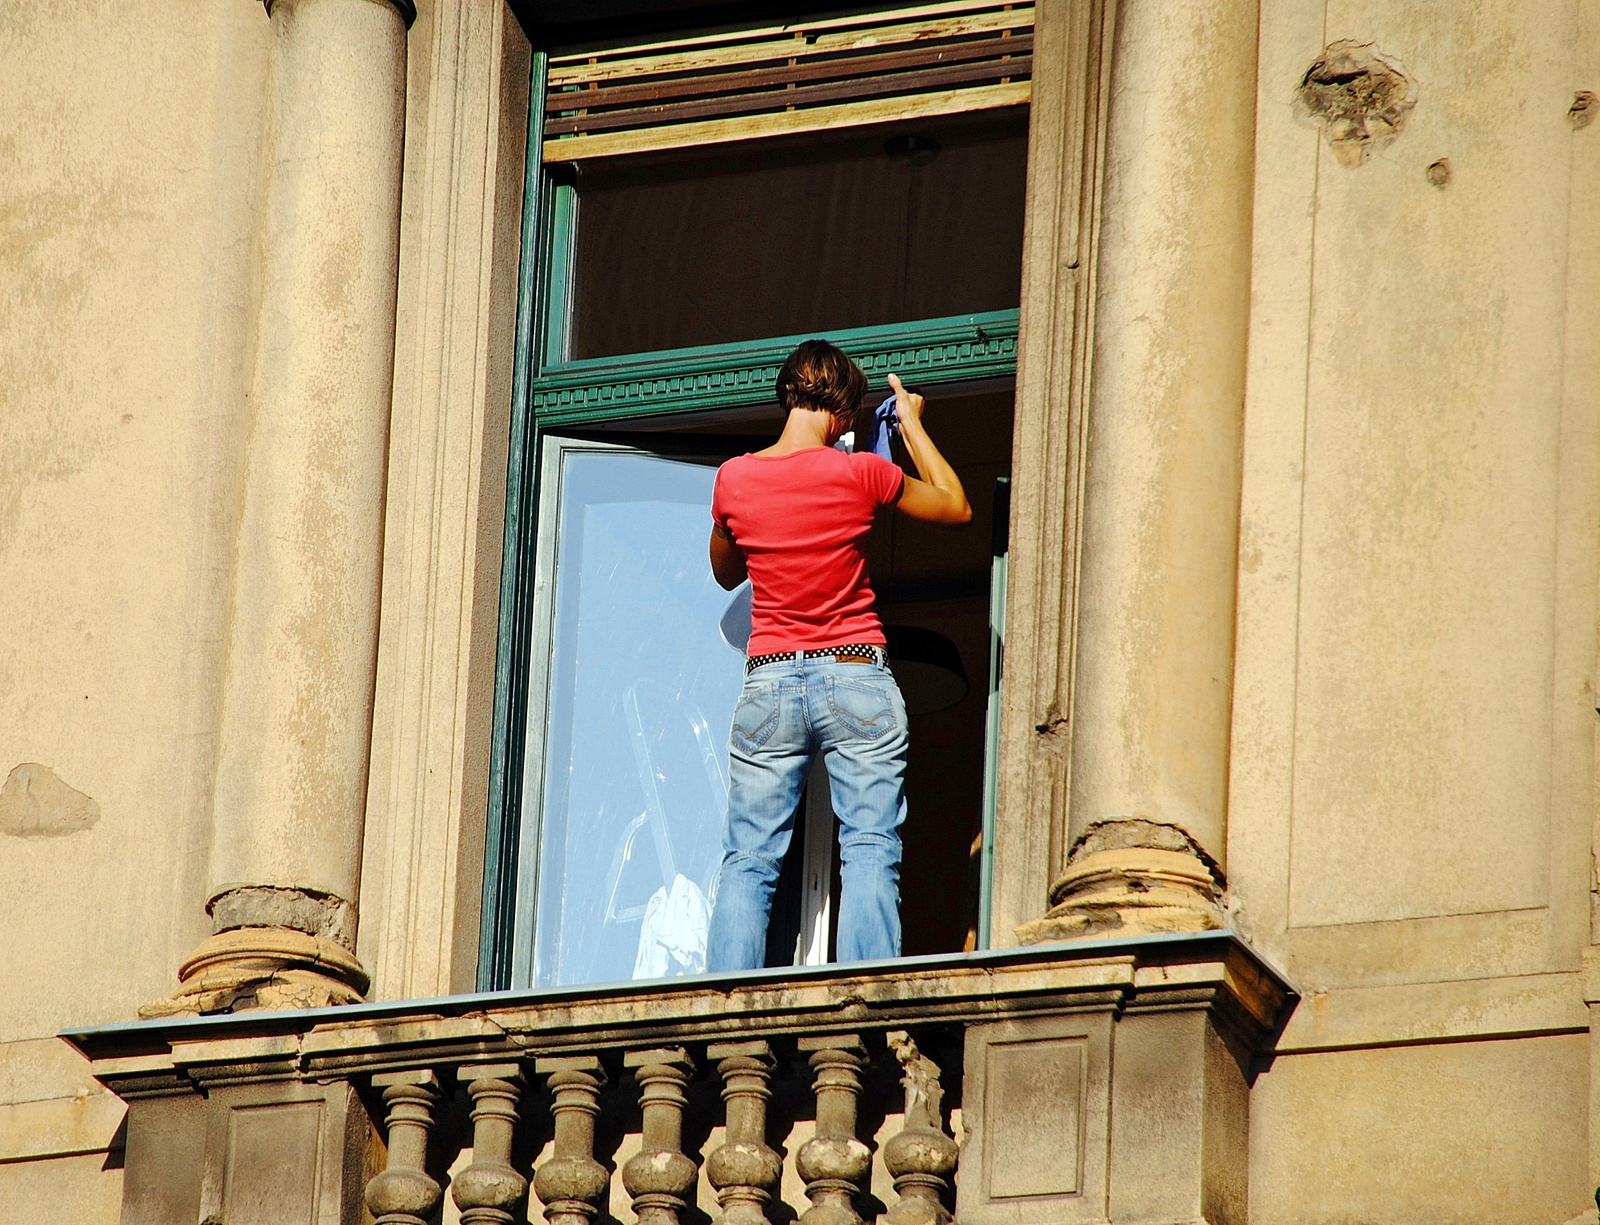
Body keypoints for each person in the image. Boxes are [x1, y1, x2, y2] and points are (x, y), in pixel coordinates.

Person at [704, 339, 971, 971]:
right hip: (854, 673)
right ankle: (867, 1001)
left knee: (748, 859)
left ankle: (722, 1010)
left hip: (769, 682)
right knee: (871, 846)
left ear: (788, 395)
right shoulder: (862, 473)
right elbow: (955, 503)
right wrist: (910, 425)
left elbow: (724, 573)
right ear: (845, 416)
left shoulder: (735, 478)